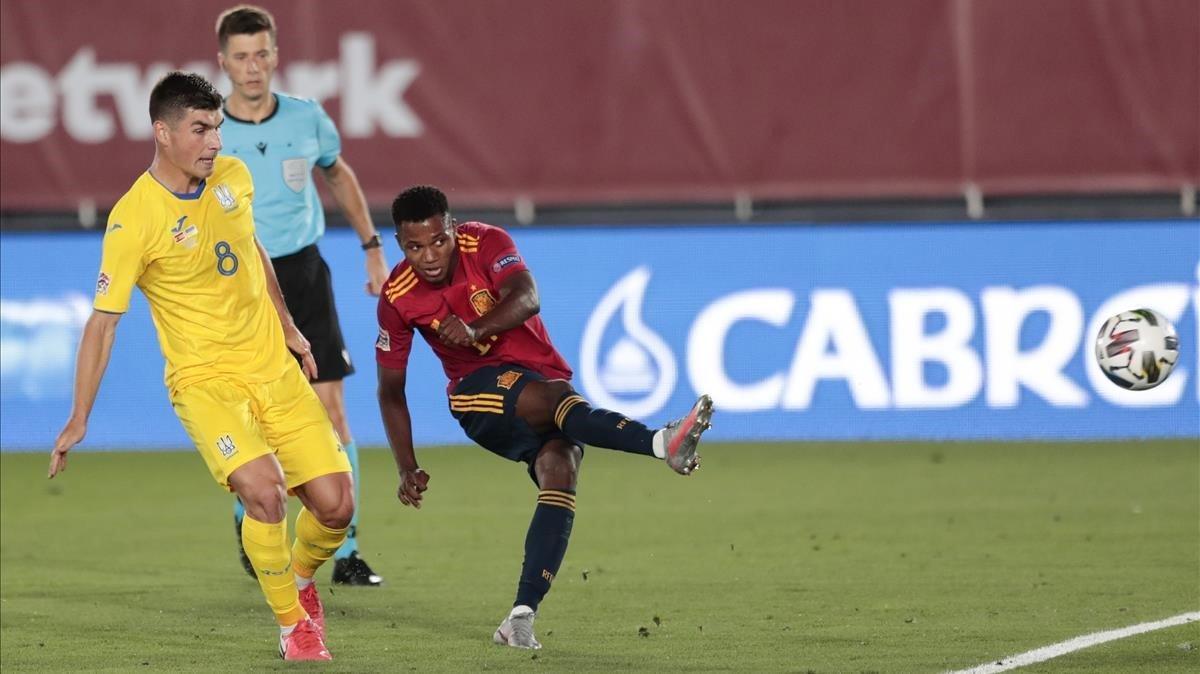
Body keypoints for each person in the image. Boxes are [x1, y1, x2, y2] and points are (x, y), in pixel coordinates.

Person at [48, 72, 352, 661]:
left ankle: (301, 577)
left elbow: (251, 249)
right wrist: (79, 415)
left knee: (337, 507)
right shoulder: (133, 219)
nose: (215, 141)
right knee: (265, 495)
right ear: (162, 133)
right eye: (200, 129)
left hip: (273, 369)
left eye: (217, 127)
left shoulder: (232, 178)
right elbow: (103, 322)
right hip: (207, 384)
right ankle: (294, 625)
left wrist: (288, 326)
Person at [376, 185, 714, 649]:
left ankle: (519, 617)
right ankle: (661, 444)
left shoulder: (486, 242)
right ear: (400, 244)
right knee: (554, 400)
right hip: (477, 396)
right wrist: (405, 464)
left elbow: (527, 296)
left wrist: (475, 327)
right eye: (414, 246)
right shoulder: (397, 296)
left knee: (560, 468)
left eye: (438, 240)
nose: (429, 255)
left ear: (452, 228)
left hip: (539, 377)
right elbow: (391, 391)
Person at [214, 4, 388, 587]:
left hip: (305, 273)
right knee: (252, 414)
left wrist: (371, 246)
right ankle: (250, 515)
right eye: (241, 57)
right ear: (223, 63)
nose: (253, 66)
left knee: (331, 410)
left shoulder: (307, 119)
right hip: (240, 283)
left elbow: (337, 173)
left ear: (275, 56)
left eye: (261, 53)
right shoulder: (210, 130)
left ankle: (347, 547)